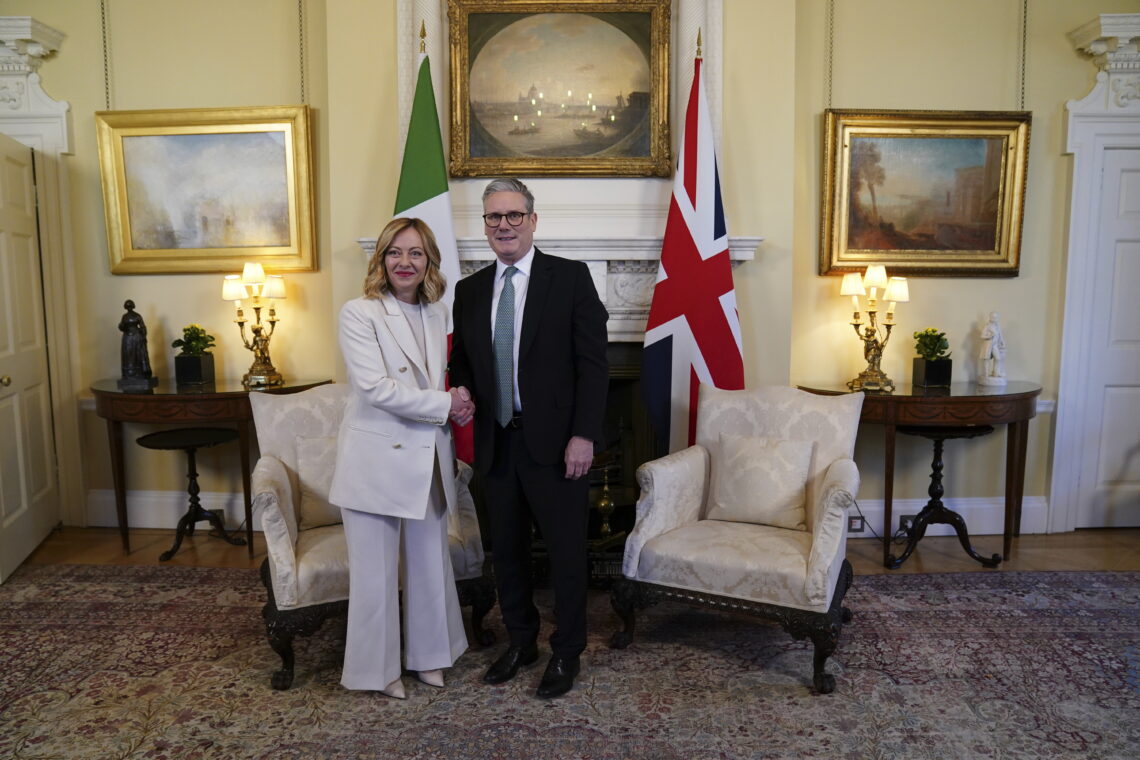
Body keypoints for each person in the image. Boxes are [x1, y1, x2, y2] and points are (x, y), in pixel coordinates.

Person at [449, 178, 609, 699]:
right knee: (508, 554)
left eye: (514, 215)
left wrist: (584, 435)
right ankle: (522, 642)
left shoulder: (570, 278)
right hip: (497, 443)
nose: (504, 225)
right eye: (494, 217)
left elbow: (594, 365)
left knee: (565, 554)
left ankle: (567, 651)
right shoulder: (470, 290)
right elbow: (462, 361)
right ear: (485, 226)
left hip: (558, 446)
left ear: (533, 221)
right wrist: (460, 390)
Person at [328, 217, 475, 699]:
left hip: (426, 458)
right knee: (374, 577)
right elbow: (375, 388)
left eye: (415, 253)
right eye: (395, 252)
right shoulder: (360, 312)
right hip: (375, 462)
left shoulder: (437, 312)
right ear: (381, 259)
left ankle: (430, 657)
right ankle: (377, 671)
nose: (404, 262)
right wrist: (446, 404)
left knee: (430, 565)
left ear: (429, 260)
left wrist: (459, 400)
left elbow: (437, 381)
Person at [978, 311, 1007, 385]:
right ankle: (986, 374)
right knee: (986, 359)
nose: (994, 318)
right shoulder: (987, 326)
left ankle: (996, 373)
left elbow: (1000, 335)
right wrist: (990, 335)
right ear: (990, 317)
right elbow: (982, 336)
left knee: (998, 358)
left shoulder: (998, 326)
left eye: (996, 317)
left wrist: (1002, 342)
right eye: (993, 317)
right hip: (988, 345)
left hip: (995, 345)